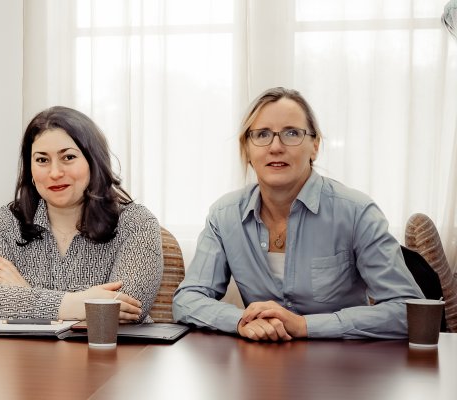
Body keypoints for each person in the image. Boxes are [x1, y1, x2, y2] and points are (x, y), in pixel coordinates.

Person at [173, 87, 423, 340]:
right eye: (262, 134)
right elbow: (187, 300)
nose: (276, 147)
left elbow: (408, 310)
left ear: (315, 146)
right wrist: (241, 321)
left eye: (292, 133)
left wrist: (304, 325)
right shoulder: (224, 216)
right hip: (261, 366)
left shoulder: (357, 212)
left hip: (344, 367)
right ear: (247, 149)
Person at [0, 106, 162, 322]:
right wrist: (75, 304)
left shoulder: (137, 223)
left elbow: (127, 306)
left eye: (68, 157)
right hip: (26, 355)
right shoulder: (4, 223)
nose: (55, 173)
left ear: (93, 161)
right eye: (42, 160)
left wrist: (23, 292)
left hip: (110, 354)